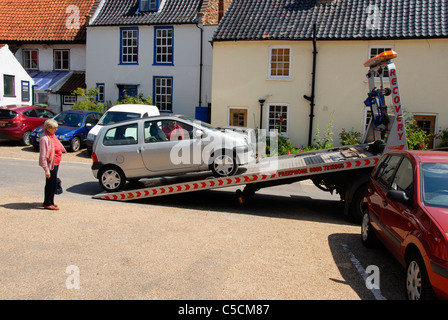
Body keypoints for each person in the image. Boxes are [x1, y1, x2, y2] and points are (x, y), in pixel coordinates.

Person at [39, 119, 67, 210]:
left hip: (56, 162)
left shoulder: (52, 135)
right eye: (54, 128)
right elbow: (43, 156)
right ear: (49, 128)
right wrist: (46, 170)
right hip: (51, 164)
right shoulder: (44, 139)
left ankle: (50, 201)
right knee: (50, 183)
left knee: (52, 182)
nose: (56, 129)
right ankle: (48, 203)